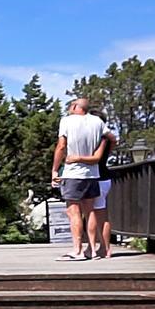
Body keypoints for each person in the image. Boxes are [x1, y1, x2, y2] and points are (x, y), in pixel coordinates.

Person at [51, 98, 104, 260]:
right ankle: (92, 250)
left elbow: (61, 146)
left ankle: (77, 250)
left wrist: (54, 169)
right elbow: (109, 138)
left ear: (75, 107)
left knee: (73, 212)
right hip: (92, 174)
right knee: (90, 211)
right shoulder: (98, 122)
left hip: (73, 173)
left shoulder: (67, 121)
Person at [65, 109, 118, 258]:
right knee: (101, 214)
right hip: (105, 177)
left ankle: (91, 248)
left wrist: (76, 158)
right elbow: (113, 143)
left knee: (91, 213)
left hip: (95, 178)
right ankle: (105, 249)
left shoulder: (94, 139)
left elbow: (94, 158)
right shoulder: (106, 139)